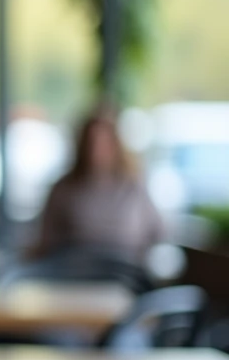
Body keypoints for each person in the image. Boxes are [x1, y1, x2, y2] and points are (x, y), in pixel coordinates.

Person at [35, 110, 164, 263]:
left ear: (115, 146)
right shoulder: (64, 189)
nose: (96, 151)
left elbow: (159, 233)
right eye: (92, 143)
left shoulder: (134, 188)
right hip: (74, 275)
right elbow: (45, 241)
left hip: (126, 275)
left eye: (103, 143)